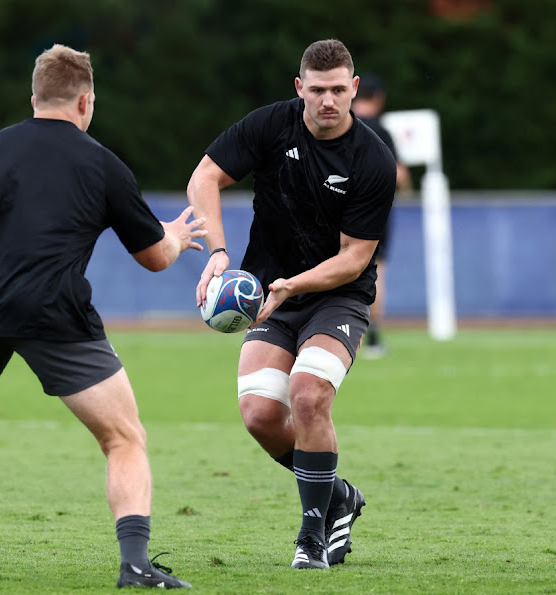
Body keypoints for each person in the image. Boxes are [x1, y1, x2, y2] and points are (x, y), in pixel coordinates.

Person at [0, 44, 201, 590]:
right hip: (54, 314)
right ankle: (135, 565)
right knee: (123, 437)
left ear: (34, 98)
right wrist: (177, 234)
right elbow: (156, 258)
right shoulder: (101, 162)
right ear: (86, 102)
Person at [187, 39, 396, 569]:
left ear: (353, 90)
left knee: (307, 395)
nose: (328, 101)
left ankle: (311, 535)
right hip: (269, 293)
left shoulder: (372, 158)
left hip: (337, 297)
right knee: (260, 414)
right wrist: (217, 254)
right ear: (300, 88)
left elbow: (353, 260)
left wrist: (291, 285)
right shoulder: (270, 125)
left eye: (338, 91)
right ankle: (341, 495)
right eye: (317, 90)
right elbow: (205, 177)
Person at [351, 73, 413, 358]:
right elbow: (398, 175)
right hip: (374, 212)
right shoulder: (381, 130)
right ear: (378, 99)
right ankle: (372, 335)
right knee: (376, 270)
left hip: (337, 208)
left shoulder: (340, 125)